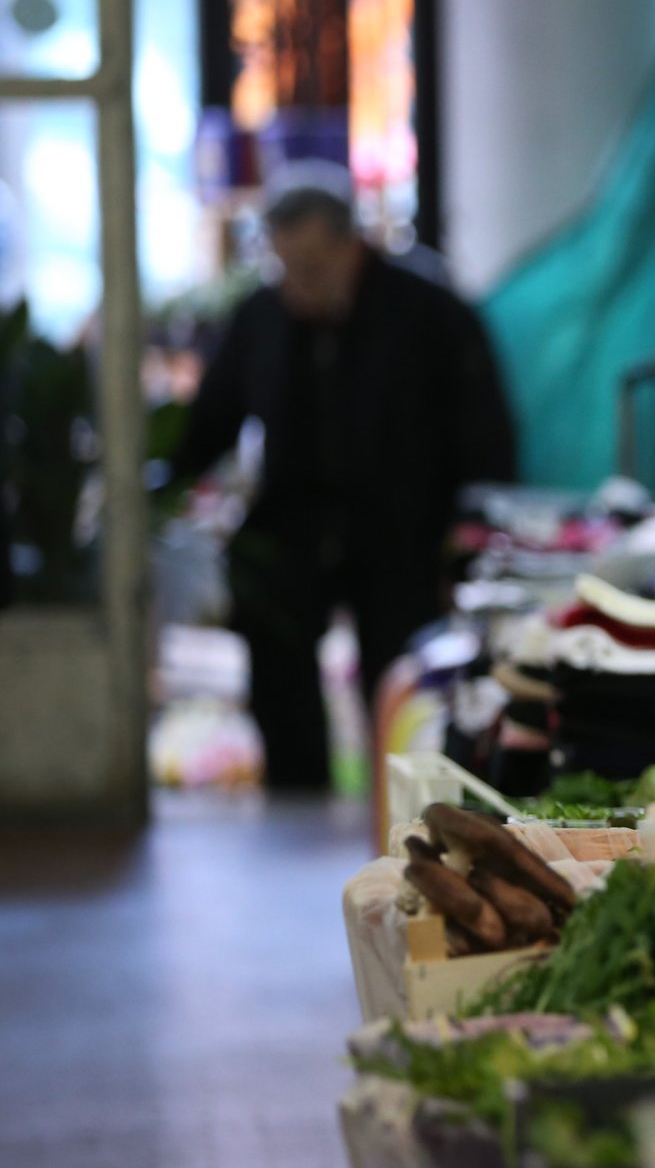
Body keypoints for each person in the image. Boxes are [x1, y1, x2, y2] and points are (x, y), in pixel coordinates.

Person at [172, 167, 516, 791]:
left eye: (311, 265)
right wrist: (159, 481)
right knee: (275, 651)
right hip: (296, 521)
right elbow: (211, 422)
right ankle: (296, 793)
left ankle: (404, 801)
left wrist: (470, 540)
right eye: (285, 266)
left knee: (400, 674)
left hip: (402, 529)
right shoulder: (263, 315)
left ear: (350, 244)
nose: (298, 284)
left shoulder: (429, 311)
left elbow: (485, 438)